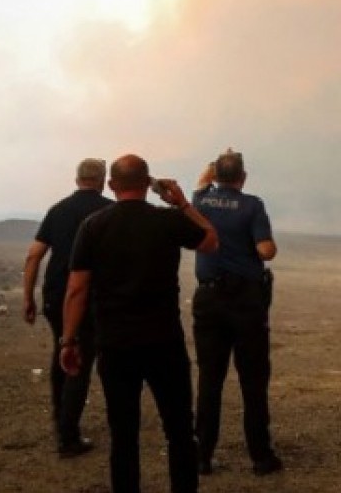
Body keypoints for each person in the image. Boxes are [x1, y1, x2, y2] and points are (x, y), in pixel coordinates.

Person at [59, 155, 219, 493]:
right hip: (164, 343)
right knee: (178, 430)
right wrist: (182, 203)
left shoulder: (93, 226)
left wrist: (68, 341)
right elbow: (210, 239)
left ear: (111, 185)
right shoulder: (167, 221)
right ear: (149, 184)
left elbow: (76, 289)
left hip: (115, 346)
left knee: (124, 435)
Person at [191, 149, 283, 477]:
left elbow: (201, 183)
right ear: (243, 178)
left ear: (215, 176)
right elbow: (266, 250)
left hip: (209, 299)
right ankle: (260, 456)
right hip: (246, 301)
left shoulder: (199, 201)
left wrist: (215, 164)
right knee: (253, 381)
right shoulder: (252, 205)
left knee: (210, 379)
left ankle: (201, 455)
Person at [21, 157, 111, 458]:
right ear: (102, 181)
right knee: (79, 361)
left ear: (77, 180)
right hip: (88, 298)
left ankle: (60, 416)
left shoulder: (58, 210)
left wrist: (28, 297)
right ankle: (68, 437)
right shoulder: (108, 211)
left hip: (54, 295)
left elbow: (34, 255)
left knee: (61, 347)